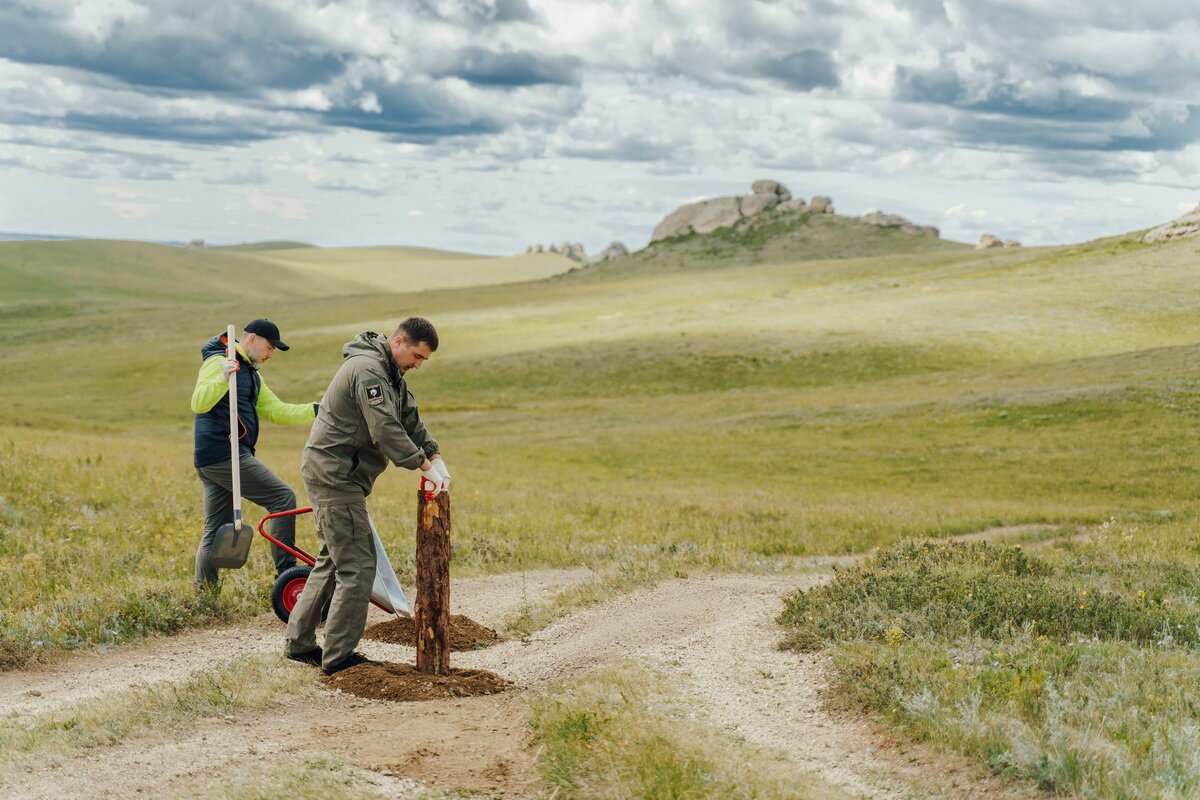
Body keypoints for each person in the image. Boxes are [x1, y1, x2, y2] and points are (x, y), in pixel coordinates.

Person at [284, 317, 450, 674]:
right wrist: (421, 465)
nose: (418, 365)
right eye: (417, 356)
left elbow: (408, 418)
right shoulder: (368, 370)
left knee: (332, 558)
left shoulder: (390, 372)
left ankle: (299, 646)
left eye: (423, 361)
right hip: (335, 476)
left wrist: (434, 454)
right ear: (400, 341)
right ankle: (339, 658)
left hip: (341, 473)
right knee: (357, 566)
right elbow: (384, 427)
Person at [191, 318, 317, 591]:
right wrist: (223, 378)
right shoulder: (219, 361)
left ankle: (205, 597)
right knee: (282, 497)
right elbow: (199, 402)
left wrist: (319, 409)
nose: (271, 354)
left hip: (217, 458)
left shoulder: (251, 373)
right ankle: (287, 576)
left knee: (215, 530)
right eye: (270, 347)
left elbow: (278, 411)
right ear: (251, 339)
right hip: (223, 453)